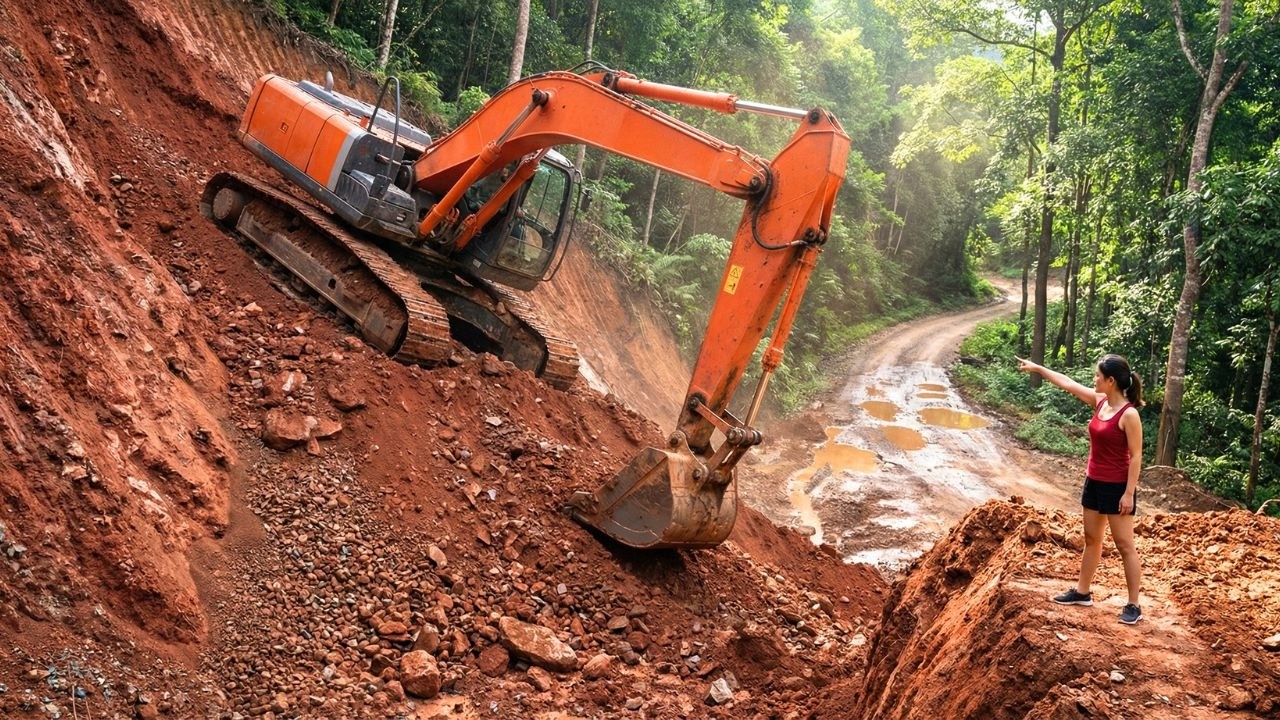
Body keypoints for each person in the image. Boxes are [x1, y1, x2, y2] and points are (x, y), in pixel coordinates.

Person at [1017, 353, 1145, 625]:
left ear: (1110, 381)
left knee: (1125, 545)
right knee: (1091, 539)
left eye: (1098, 376)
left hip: (1117, 487)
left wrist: (1129, 493)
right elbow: (1067, 383)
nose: (1094, 379)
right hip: (1094, 482)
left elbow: (1136, 456)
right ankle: (1082, 592)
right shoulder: (1100, 402)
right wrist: (1038, 368)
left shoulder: (1129, 414)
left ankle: (1134, 604)